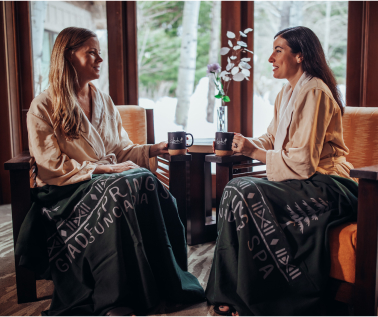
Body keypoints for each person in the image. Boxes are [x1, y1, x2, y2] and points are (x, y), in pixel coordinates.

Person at [15, 27, 205, 316]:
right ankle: (114, 298)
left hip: (108, 180)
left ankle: (166, 280)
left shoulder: (103, 100)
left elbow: (122, 149)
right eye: (91, 52)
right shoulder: (44, 105)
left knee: (146, 181)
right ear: (67, 57)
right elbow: (49, 164)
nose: (99, 58)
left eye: (99, 51)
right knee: (122, 186)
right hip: (65, 189)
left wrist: (153, 150)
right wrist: (101, 168)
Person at [205, 26, 358, 316]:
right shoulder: (287, 93)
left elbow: (303, 162)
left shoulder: (315, 91)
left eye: (278, 50)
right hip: (305, 181)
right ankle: (232, 291)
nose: (270, 58)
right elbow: (274, 138)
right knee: (234, 189)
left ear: (300, 56)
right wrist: (247, 143)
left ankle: (263, 298)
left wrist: (254, 152)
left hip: (330, 185)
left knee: (243, 190)